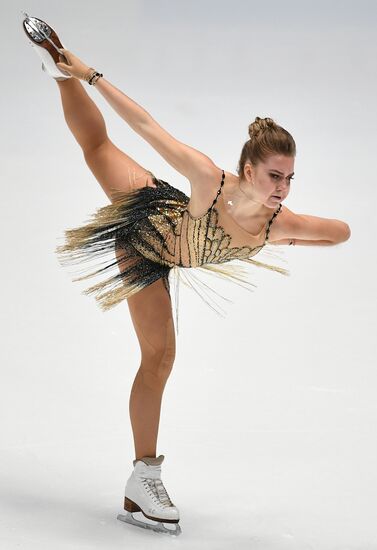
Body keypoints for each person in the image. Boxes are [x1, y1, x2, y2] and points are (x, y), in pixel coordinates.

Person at [21, 13, 351, 537]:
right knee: (160, 354)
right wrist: (88, 75)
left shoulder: (276, 223)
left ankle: (138, 481)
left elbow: (340, 232)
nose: (284, 187)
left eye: (290, 178)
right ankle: (59, 69)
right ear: (248, 171)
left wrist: (293, 232)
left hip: (173, 239)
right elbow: (148, 126)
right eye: (274, 176)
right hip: (146, 234)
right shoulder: (209, 178)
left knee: (159, 355)